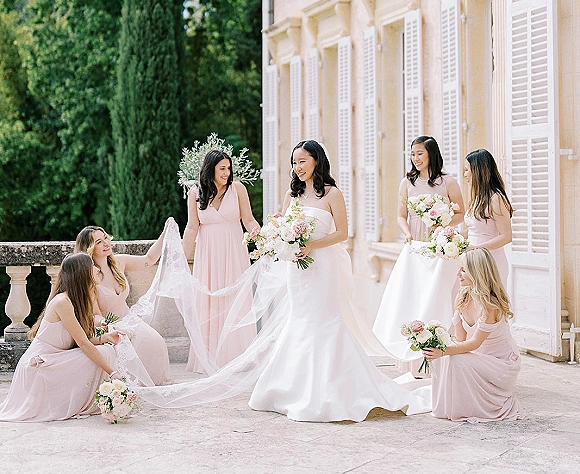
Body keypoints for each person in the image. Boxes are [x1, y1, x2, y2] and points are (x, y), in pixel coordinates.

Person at [248, 140, 431, 422]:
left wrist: (312, 245)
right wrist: (287, 243)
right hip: (297, 269)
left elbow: (343, 233)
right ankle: (289, 389)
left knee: (326, 320)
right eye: (294, 163)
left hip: (322, 266)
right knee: (299, 320)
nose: (297, 168)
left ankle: (333, 389)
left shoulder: (332, 194)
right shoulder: (291, 194)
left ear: (317, 161)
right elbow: (282, 226)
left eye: (302, 161)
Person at [372, 136, 465, 369]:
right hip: (416, 249)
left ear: (431, 154)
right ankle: (415, 357)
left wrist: (443, 224)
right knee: (414, 297)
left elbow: (461, 213)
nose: (415, 158)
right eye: (412, 154)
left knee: (441, 297)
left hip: (440, 250)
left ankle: (445, 354)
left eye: (420, 153)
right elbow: (400, 215)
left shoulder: (448, 182)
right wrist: (407, 233)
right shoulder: (407, 183)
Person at [0, 253, 124, 422]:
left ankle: (95, 399)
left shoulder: (78, 300)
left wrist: (106, 338)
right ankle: (92, 400)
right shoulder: (62, 302)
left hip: (57, 357)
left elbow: (76, 342)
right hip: (41, 366)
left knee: (107, 350)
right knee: (104, 354)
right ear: (82, 273)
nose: (97, 269)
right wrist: (113, 373)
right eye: (92, 267)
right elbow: (84, 344)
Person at [182, 149, 261, 373]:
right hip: (208, 256)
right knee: (207, 301)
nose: (227, 173)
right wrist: (179, 257)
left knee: (235, 299)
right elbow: (191, 227)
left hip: (234, 253)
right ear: (211, 169)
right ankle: (211, 357)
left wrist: (266, 241)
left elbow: (248, 218)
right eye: (222, 169)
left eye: (228, 168)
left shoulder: (238, 189)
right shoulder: (195, 193)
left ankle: (238, 355)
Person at [424, 248, 522, 422]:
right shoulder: (462, 297)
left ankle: (469, 407)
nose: (458, 274)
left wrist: (445, 351)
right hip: (479, 357)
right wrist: (438, 347)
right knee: (444, 358)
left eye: (463, 270)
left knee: (453, 357)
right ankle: (448, 406)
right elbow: (460, 340)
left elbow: (475, 343)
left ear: (477, 273)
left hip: (500, 363)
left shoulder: (490, 306)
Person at [75, 221, 171, 385]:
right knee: (127, 349)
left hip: (129, 318)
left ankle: (154, 384)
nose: (106, 243)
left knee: (156, 342)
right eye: (99, 242)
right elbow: (95, 315)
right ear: (90, 248)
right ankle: (127, 387)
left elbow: (149, 259)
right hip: (109, 325)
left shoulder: (119, 262)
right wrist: (107, 325)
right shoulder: (89, 277)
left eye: (105, 238)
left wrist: (165, 234)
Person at [464, 149, 512, 287]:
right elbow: (475, 229)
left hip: (490, 261)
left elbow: (506, 236)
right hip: (472, 260)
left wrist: (477, 249)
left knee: (490, 304)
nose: (465, 174)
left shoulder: (496, 198)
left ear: (478, 171)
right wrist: (451, 236)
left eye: (467, 170)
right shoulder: (478, 197)